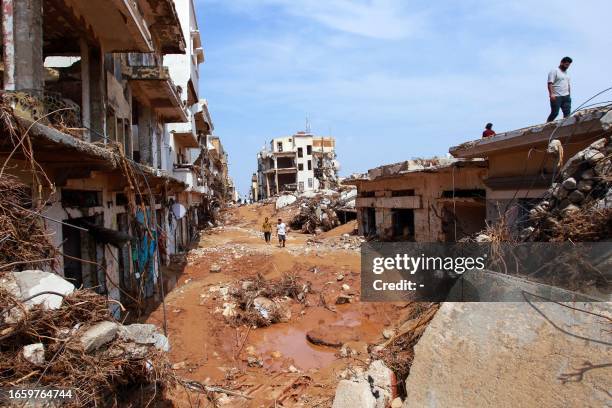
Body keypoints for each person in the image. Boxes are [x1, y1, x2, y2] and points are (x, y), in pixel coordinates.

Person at [547, 57, 572, 122]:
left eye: (568, 65)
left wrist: (569, 94)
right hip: (556, 96)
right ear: (561, 62)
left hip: (566, 96)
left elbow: (568, 84)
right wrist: (551, 94)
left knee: (567, 114)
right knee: (555, 113)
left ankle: (566, 127)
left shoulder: (566, 73)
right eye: (566, 65)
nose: (567, 66)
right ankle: (547, 125)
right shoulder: (554, 71)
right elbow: (550, 83)